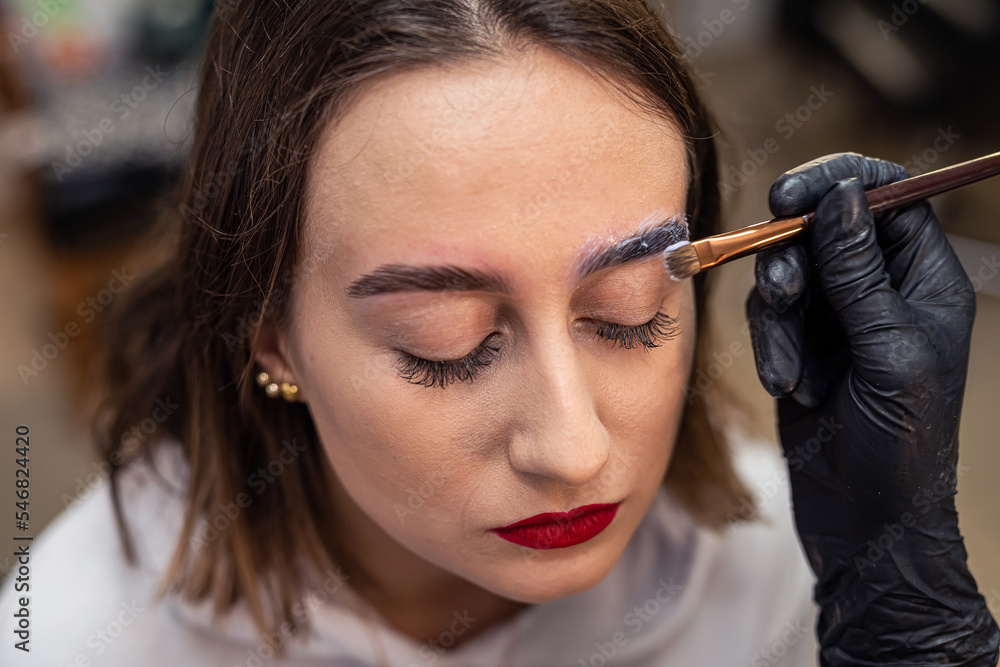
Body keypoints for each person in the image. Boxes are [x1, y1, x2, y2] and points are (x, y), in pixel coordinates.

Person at [1, 1, 997, 665]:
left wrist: (905, 616)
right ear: (272, 339)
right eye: (444, 341)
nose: (572, 450)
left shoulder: (776, 557)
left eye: (626, 314)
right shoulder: (78, 636)